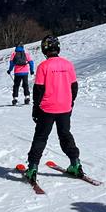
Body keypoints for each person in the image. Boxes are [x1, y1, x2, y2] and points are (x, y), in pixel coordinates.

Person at [23, 35, 83, 183]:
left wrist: (35, 109)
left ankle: (32, 168)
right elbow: (74, 87)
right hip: (65, 107)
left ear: (44, 49)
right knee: (65, 135)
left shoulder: (43, 66)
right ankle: (75, 163)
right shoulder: (68, 64)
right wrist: (70, 101)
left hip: (47, 109)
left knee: (41, 137)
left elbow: (38, 90)